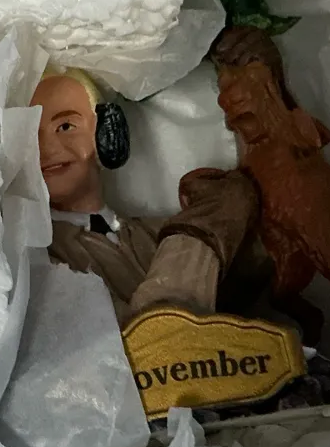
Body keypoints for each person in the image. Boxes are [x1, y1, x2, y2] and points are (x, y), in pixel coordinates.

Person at [33, 65, 258, 326]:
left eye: (66, 126)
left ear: (107, 134)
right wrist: (198, 233)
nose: (46, 149)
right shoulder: (40, 261)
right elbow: (130, 338)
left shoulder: (159, 231)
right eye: (31, 135)